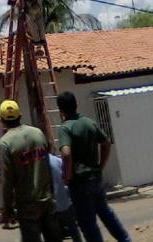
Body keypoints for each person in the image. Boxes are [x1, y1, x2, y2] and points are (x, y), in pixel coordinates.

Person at [57, 91, 131, 242]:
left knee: (88, 223)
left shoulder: (65, 128)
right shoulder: (89, 122)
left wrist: (67, 176)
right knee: (105, 213)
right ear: (76, 105)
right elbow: (106, 143)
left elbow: (66, 153)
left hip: (79, 182)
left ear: (61, 109)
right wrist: (100, 166)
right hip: (95, 177)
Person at [0, 99, 61, 242]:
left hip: (27, 204)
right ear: (20, 115)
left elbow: (7, 180)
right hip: (47, 198)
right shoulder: (38, 133)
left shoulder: (5, 143)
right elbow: (48, 163)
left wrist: (7, 208)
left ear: (1, 119)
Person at [49, 153, 82, 242]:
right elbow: (67, 179)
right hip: (64, 201)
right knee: (74, 229)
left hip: (50, 205)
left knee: (55, 233)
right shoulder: (57, 161)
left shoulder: (38, 165)